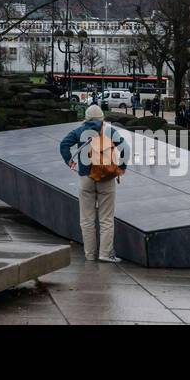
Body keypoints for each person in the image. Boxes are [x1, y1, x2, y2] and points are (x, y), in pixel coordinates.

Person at [59, 103, 127, 262]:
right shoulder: (109, 130)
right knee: (106, 219)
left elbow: (64, 144)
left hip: (86, 178)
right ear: (102, 118)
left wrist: (70, 162)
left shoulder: (79, 130)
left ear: (86, 118)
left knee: (87, 219)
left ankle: (89, 255)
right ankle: (105, 254)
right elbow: (125, 147)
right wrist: (121, 167)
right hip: (107, 178)